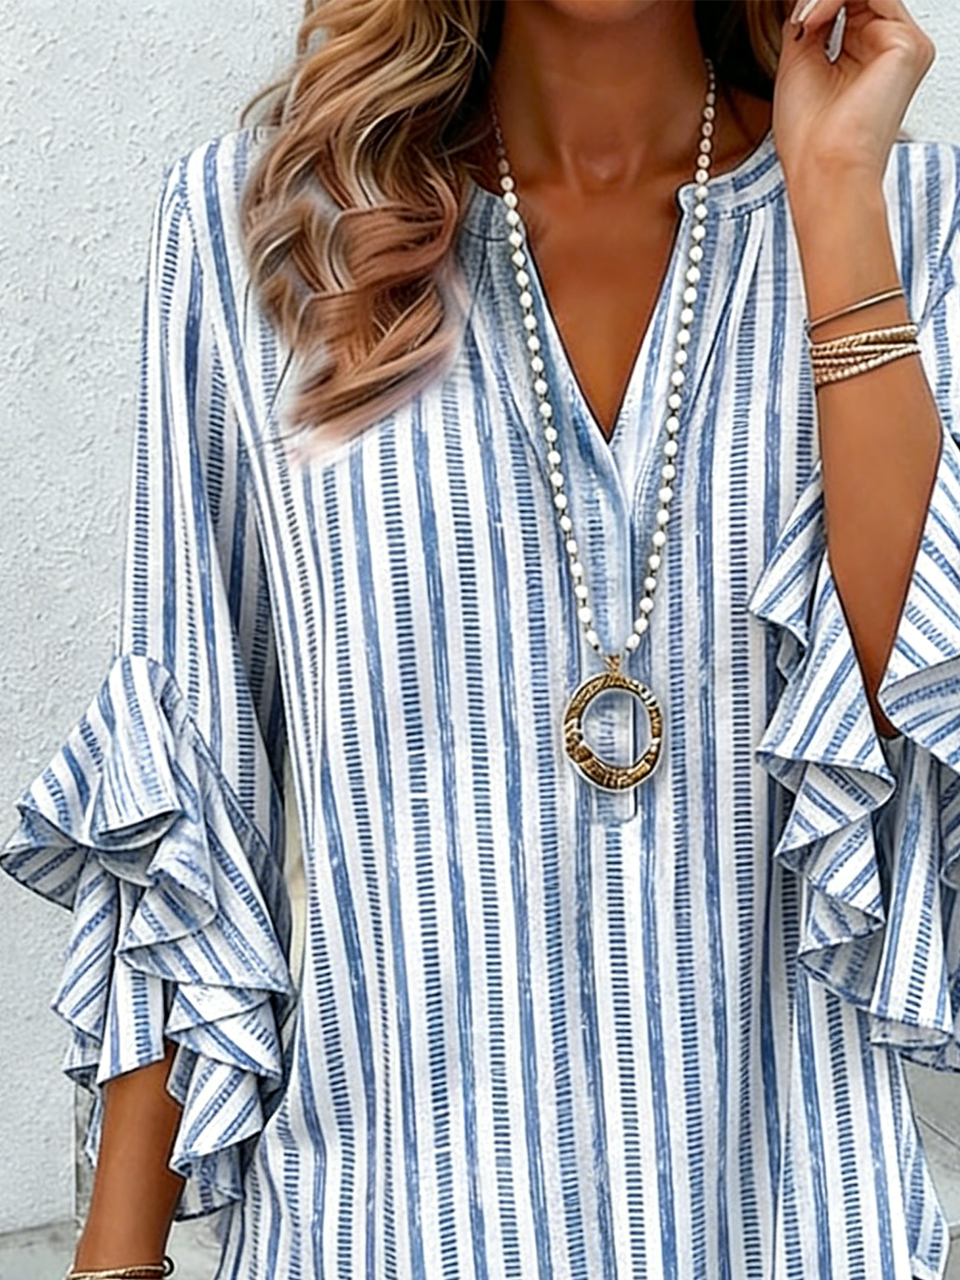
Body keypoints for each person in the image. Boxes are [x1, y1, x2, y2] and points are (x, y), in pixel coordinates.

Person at [2, 0, 957, 1275]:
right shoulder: (265, 225)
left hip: (792, 1222)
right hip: (388, 1223)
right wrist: (117, 1255)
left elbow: (916, 706)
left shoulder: (906, 214)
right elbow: (188, 786)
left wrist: (835, 203)